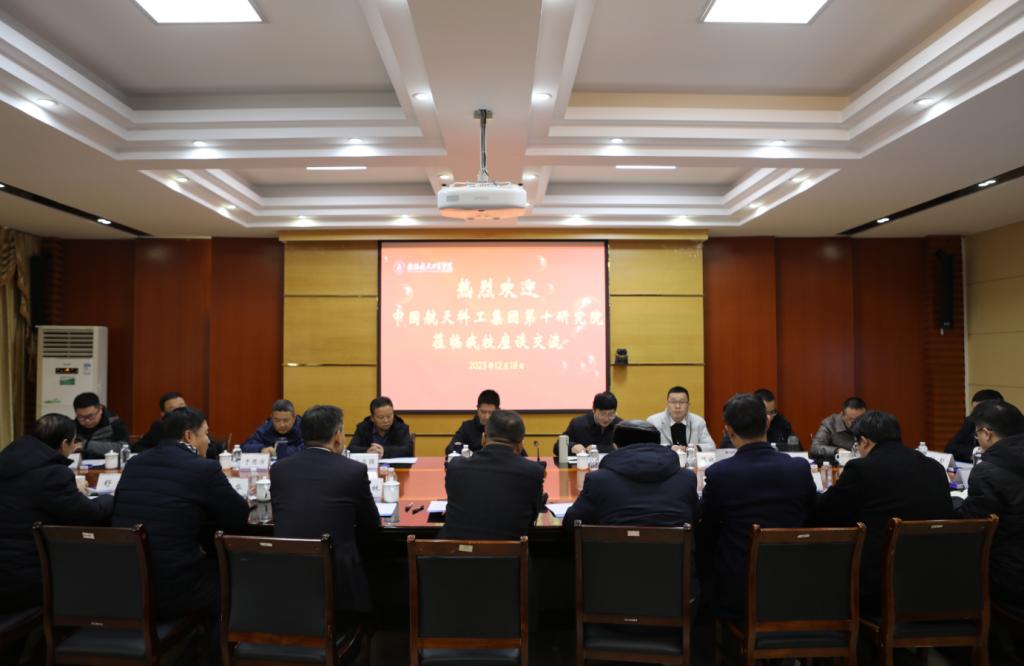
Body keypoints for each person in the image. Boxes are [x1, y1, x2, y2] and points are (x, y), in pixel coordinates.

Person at [112, 406, 249, 621]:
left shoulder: (134, 463)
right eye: (205, 433)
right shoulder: (204, 469)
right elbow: (238, 517)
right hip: (173, 589)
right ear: (188, 436)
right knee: (231, 575)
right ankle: (213, 642)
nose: (209, 441)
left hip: (127, 583)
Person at [813, 411, 954, 615]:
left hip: (878, 585)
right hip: (934, 579)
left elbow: (825, 512)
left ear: (864, 442)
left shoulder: (861, 469)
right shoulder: (934, 467)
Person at [698, 393, 816, 620]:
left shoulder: (720, 474)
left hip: (740, 592)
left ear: (728, 431)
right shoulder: (799, 469)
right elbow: (812, 514)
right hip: (795, 586)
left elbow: (707, 526)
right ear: (768, 422)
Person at [271, 405, 380, 616]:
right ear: (337, 436)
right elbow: (371, 525)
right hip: (337, 581)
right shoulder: (352, 470)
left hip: (287, 573)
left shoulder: (279, 469)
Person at [0, 414, 114, 613]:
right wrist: (111, 497)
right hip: (26, 577)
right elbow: (89, 515)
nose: (75, 448)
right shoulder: (53, 474)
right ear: (63, 444)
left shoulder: (8, 460)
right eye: (74, 443)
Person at [955, 400, 1024, 612]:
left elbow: (975, 526)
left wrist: (955, 505)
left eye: (976, 434)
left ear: (986, 434)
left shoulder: (988, 470)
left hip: (1011, 574)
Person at [564, 419, 698, 528]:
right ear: (657, 444)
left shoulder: (598, 480)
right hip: (672, 554)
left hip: (610, 553)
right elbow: (697, 518)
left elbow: (571, 522)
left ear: (615, 446)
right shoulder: (686, 479)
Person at [439, 410, 546, 540]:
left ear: (483, 439)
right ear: (520, 445)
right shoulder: (533, 472)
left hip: (456, 551)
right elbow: (532, 518)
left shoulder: (455, 467)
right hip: (509, 553)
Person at [720, 388, 797, 449]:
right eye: (766, 413)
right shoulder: (742, 421)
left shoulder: (782, 423)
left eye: (772, 412)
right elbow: (726, 448)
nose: (770, 417)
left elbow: (796, 448)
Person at [553, 391, 622, 457]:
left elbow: (626, 449)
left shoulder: (620, 425)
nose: (606, 419)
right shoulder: (578, 423)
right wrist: (572, 447)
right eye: (602, 414)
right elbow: (557, 447)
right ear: (593, 410)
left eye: (611, 414)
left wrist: (599, 448)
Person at [646, 386, 715, 450]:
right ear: (667, 404)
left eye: (682, 402)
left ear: (688, 405)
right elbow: (647, 446)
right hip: (665, 459)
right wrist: (669, 448)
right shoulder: (653, 422)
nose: (677, 406)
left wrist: (694, 448)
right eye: (673, 402)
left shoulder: (698, 421)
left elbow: (711, 446)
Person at [945, 389, 1004, 462]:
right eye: (975, 410)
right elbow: (950, 449)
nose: (976, 414)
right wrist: (978, 451)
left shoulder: (1010, 424)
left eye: (980, 410)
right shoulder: (972, 421)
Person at [349, 396, 414, 458]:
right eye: (381, 417)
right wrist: (368, 451)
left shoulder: (401, 428)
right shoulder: (363, 428)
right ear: (372, 418)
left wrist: (384, 451)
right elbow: (351, 449)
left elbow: (408, 450)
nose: (386, 421)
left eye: (389, 416)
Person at [73, 391, 130, 459]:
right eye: (81, 417)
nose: (87, 420)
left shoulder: (114, 423)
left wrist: (86, 445)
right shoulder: (72, 427)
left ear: (100, 409)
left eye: (91, 416)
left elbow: (124, 448)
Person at [810, 396, 867, 461]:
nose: (857, 423)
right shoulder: (830, 424)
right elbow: (815, 448)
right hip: (837, 463)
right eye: (852, 420)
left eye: (860, 419)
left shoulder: (869, 423)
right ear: (842, 415)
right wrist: (837, 450)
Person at [445, 389, 500, 455]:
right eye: (483, 412)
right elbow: (450, 448)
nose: (486, 417)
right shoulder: (467, 427)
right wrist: (468, 454)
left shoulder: (503, 429)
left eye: (491, 413)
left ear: (498, 410)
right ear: (477, 408)